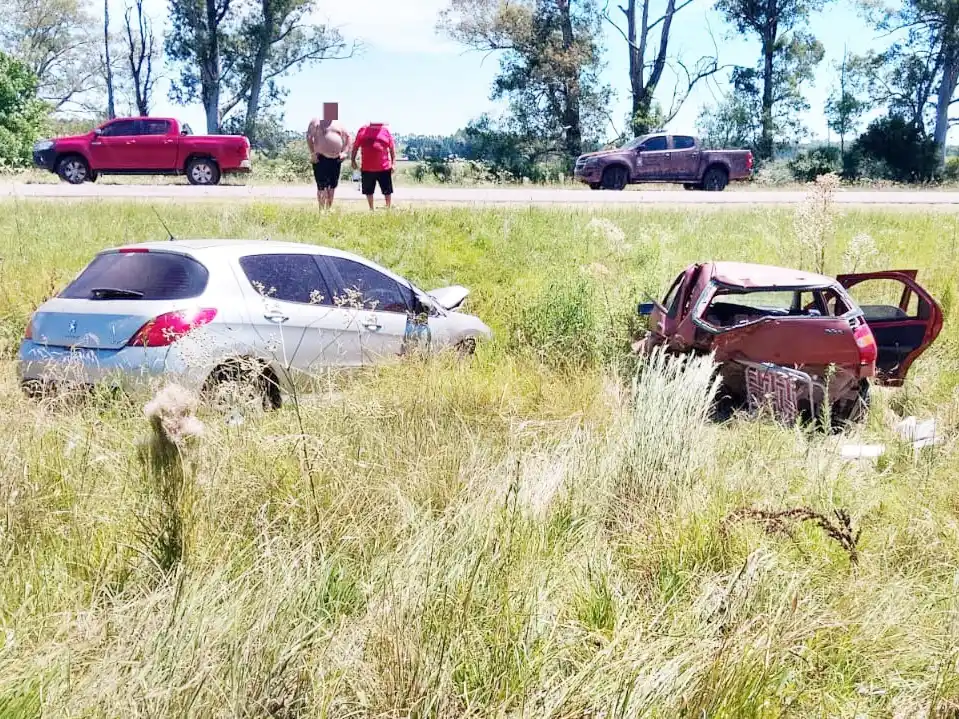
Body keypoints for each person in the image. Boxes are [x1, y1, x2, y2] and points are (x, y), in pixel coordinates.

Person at [307, 105, 351, 211]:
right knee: (321, 186)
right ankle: (321, 210)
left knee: (332, 187)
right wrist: (313, 153)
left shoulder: (339, 124)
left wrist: (345, 152)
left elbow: (348, 137)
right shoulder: (316, 122)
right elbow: (309, 137)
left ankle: (328, 209)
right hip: (320, 158)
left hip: (335, 159)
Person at [352, 122, 395, 210]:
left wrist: (393, 164)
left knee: (387, 190)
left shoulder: (385, 130)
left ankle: (388, 208)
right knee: (368, 190)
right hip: (367, 167)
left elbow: (392, 148)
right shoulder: (362, 130)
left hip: (384, 167)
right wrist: (353, 160)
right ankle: (371, 209)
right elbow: (355, 146)